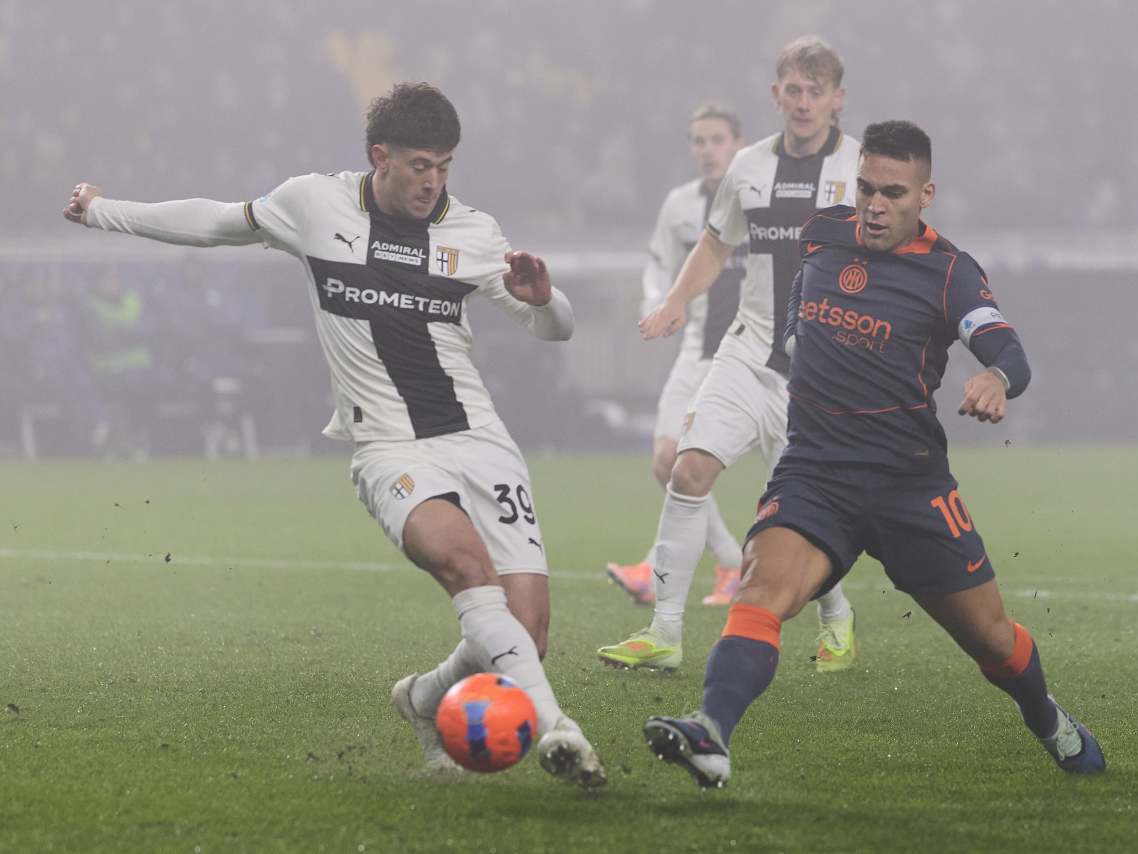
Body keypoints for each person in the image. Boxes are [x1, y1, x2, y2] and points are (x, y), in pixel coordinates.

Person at [62, 82, 606, 788]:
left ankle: (423, 698)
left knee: (525, 635)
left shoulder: (474, 232)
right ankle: (559, 731)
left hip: (480, 440)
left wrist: (547, 300)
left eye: (444, 166)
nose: (433, 182)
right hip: (388, 447)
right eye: (419, 166)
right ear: (381, 156)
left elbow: (552, 328)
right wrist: (103, 211)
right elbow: (215, 222)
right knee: (467, 569)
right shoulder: (314, 204)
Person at [643, 120, 1105, 789]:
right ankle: (710, 731)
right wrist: (791, 345)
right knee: (761, 591)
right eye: (866, 188)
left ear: (925, 195)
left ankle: (1049, 720)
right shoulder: (822, 234)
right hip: (815, 474)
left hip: (908, 486)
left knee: (992, 640)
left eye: (894, 193)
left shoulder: (949, 272)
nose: (875, 205)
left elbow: (1009, 349)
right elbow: (790, 291)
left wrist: (995, 378)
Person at [597, 37, 859, 673]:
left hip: (819, 373)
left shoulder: (859, 167)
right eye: (792, 90)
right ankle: (664, 632)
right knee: (687, 472)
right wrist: (675, 302)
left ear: (837, 99)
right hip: (746, 352)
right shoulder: (748, 166)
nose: (803, 103)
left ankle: (836, 614)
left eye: (815, 92)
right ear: (776, 95)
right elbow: (715, 245)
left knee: (797, 516)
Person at [604, 102, 749, 609]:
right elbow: (659, 266)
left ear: (738, 144)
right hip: (694, 352)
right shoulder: (680, 205)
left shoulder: (760, 199)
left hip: (748, 356)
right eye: (698, 141)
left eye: (717, 139)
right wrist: (658, 303)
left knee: (703, 466)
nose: (707, 150)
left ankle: (668, 569)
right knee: (666, 462)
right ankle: (728, 561)